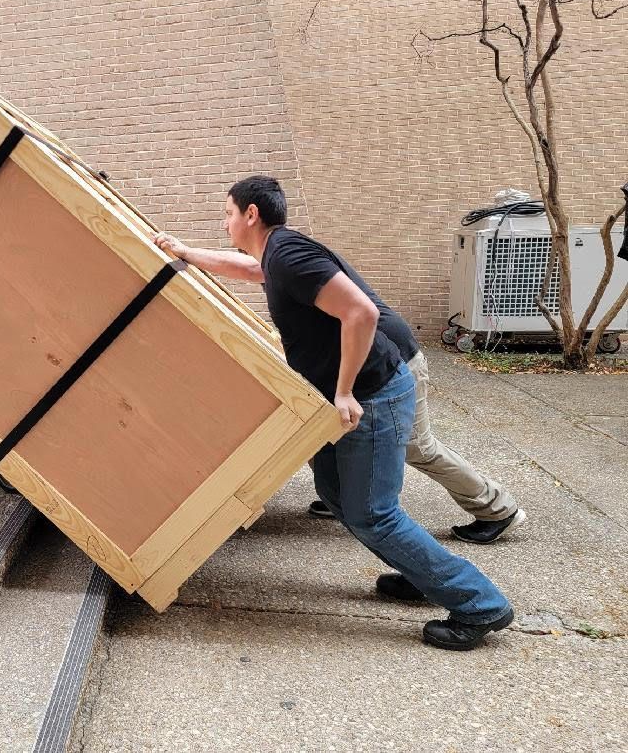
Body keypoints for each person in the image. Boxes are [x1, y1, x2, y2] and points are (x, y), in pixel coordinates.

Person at [154, 175, 513, 650]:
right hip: (354, 396)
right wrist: (185, 252)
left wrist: (343, 392)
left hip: (372, 397)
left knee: (374, 514)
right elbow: (246, 269)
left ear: (251, 215)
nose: (225, 223)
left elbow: (360, 313)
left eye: (227, 213)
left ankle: (478, 604)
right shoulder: (276, 256)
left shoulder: (290, 255)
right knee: (336, 494)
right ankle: (428, 574)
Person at [305, 275, 527, 544]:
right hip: (360, 366)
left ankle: (497, 509)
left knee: (416, 446)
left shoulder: (291, 262)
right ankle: (342, 499)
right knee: (330, 428)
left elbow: (359, 316)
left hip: (393, 362)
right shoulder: (283, 264)